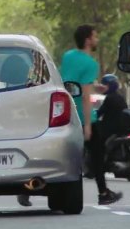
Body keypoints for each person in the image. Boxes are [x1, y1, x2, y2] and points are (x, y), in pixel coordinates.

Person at [24, 25, 122, 207]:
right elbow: (85, 96)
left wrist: (95, 87)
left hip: (63, 111)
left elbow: (70, 81)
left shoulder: (68, 56)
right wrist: (87, 126)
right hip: (82, 117)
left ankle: (28, 189)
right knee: (97, 156)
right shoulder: (91, 63)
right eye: (95, 36)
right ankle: (103, 192)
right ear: (87, 40)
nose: (97, 40)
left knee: (55, 156)